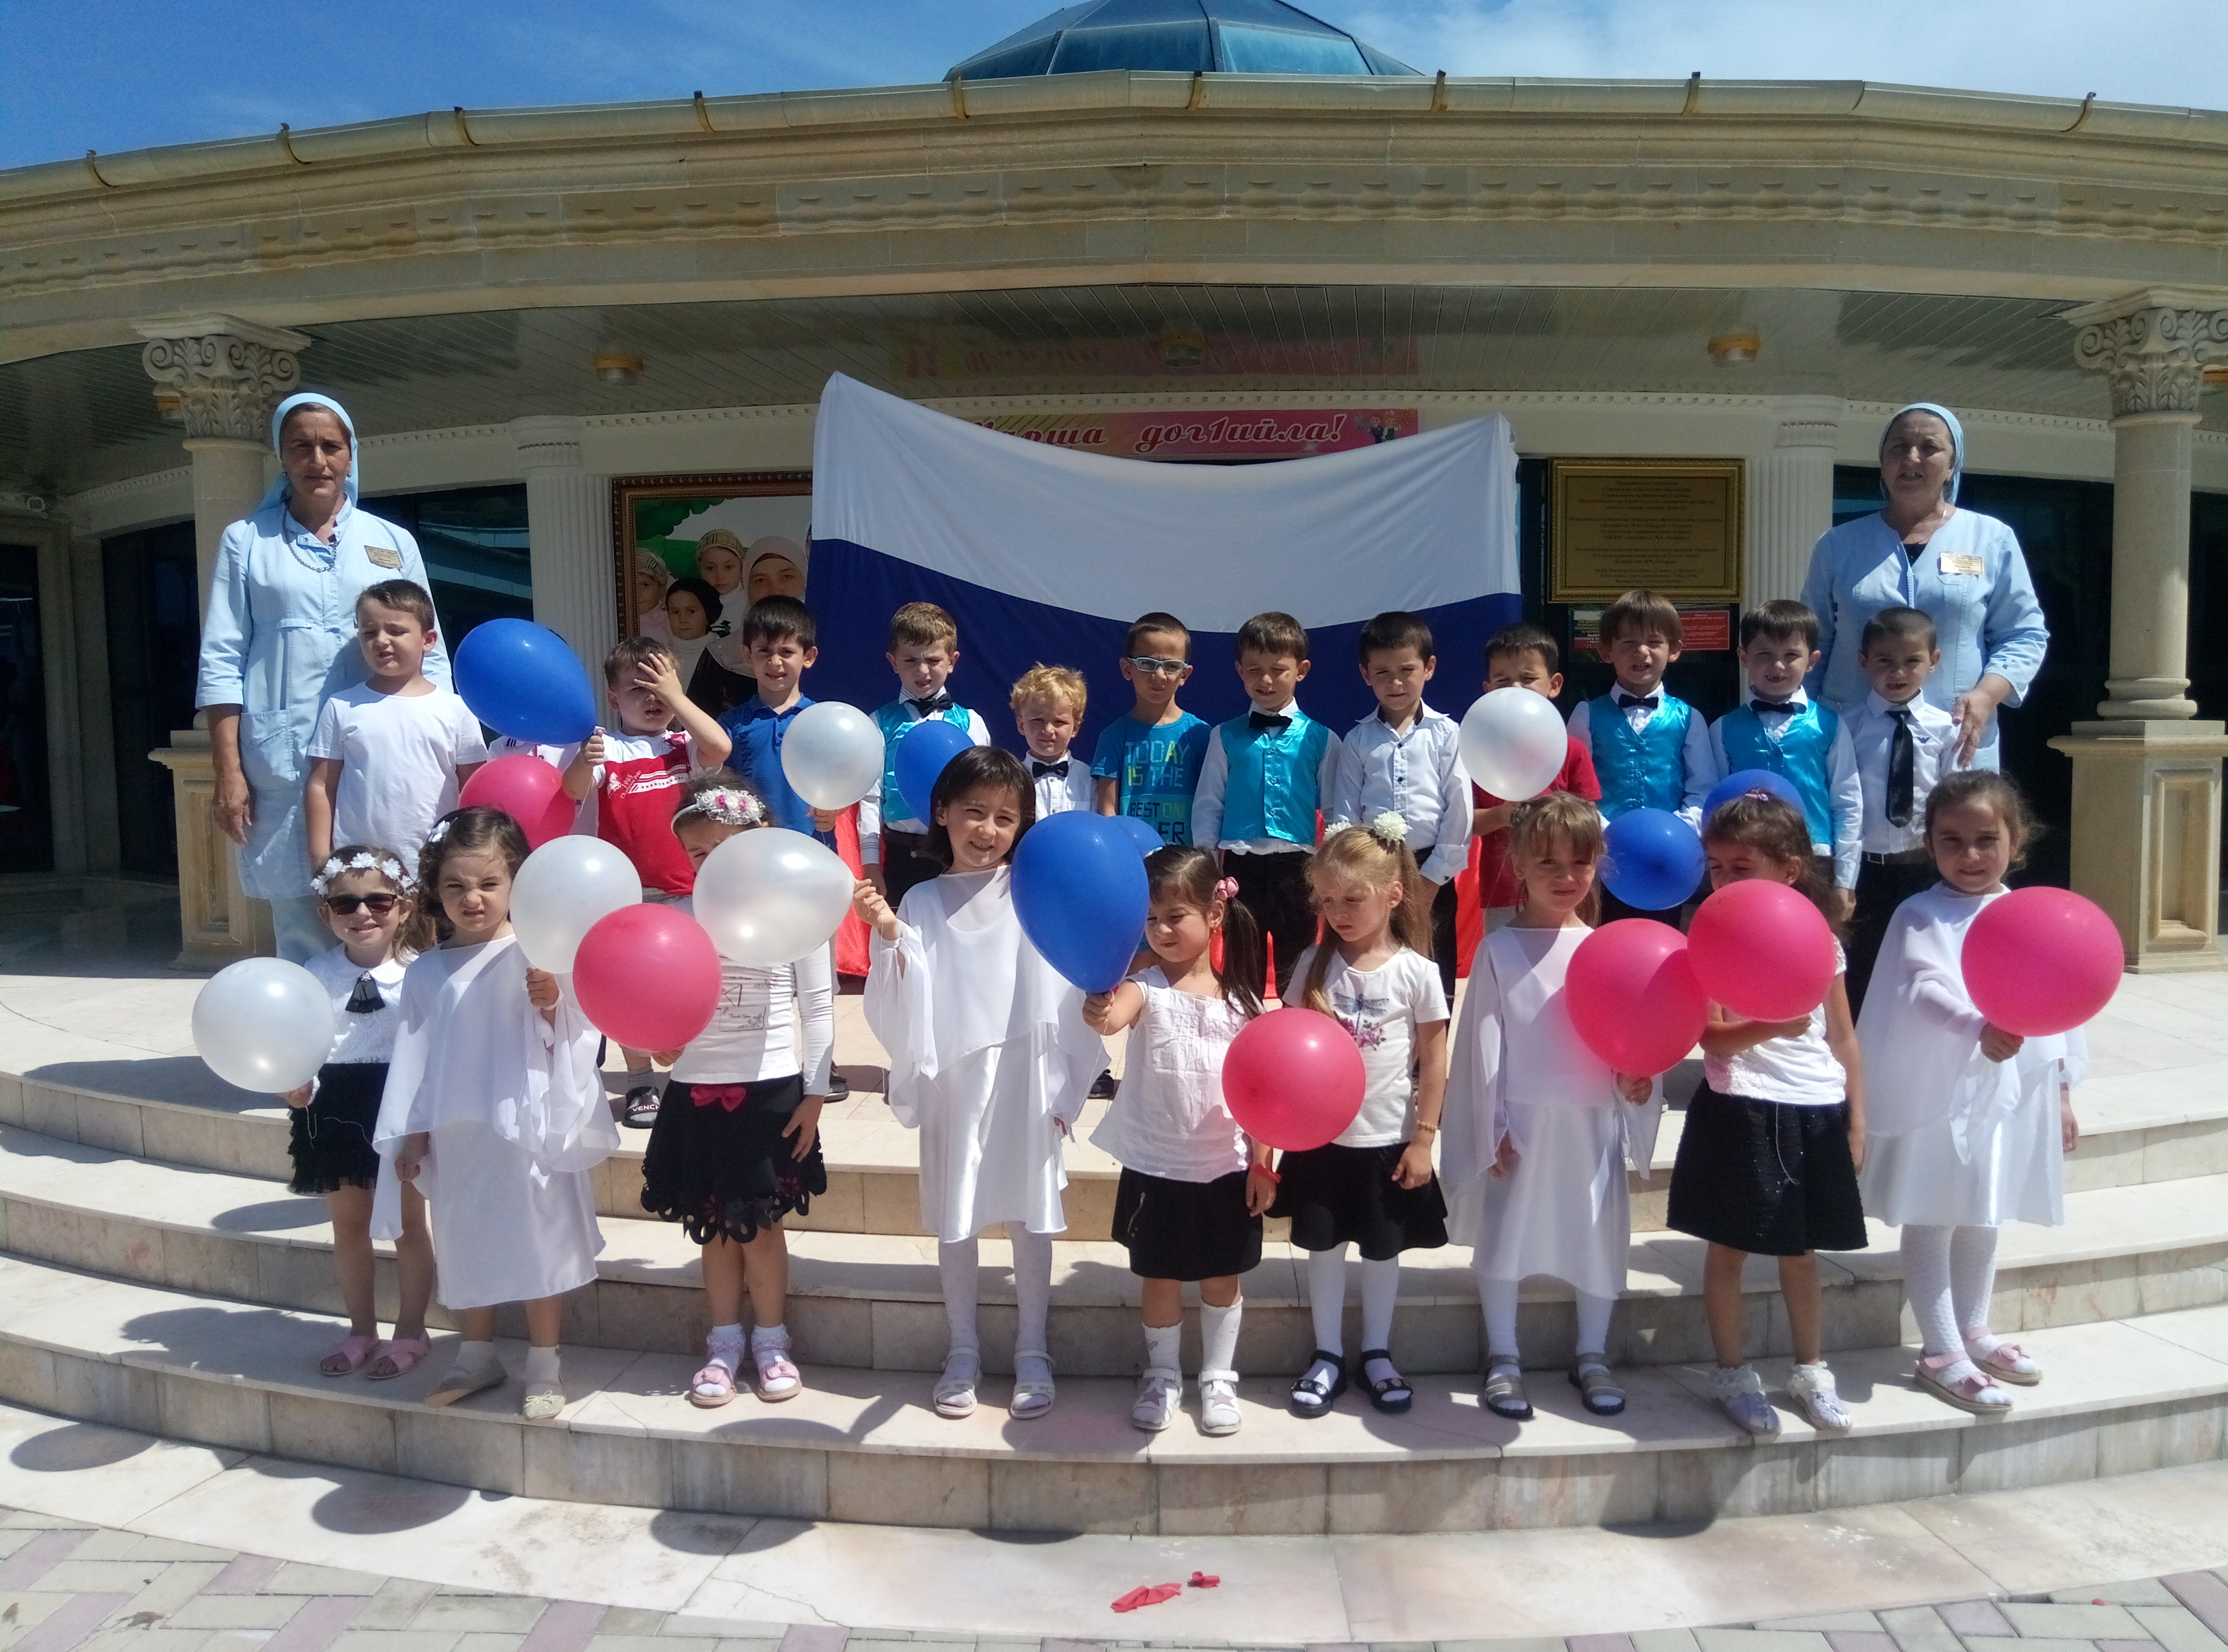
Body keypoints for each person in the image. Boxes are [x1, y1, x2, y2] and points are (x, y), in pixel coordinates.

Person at [854, 746, 1102, 1422]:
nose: (987, 830)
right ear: (941, 813)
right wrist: (890, 938)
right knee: (956, 1215)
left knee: (1029, 1214)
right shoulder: (922, 899)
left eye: (1004, 817)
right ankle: (961, 1349)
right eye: (973, 812)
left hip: (1024, 1068)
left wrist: (1071, 1057)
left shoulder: (1032, 891)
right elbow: (903, 994)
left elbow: (1066, 973)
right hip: (956, 1078)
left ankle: (1032, 1349)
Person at [373, 807, 614, 1422]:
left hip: (526, 1123)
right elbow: (418, 1060)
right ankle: (475, 1353)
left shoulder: (537, 953)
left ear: (515, 882)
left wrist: (553, 1001)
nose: (472, 898)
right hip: (459, 1130)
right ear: (435, 889)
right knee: (466, 1239)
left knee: (537, 1239)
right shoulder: (426, 972)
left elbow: (577, 1037)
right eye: (455, 885)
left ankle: (544, 1362)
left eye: (488, 883)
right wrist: (413, 1133)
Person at [1857, 770, 2085, 1417]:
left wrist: (2060, 1089)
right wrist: (1974, 1027)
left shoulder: (2030, 915)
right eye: (1951, 840)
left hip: (2009, 1086)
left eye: (1986, 839)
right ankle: (1939, 1348)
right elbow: (1921, 986)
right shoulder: (1921, 914)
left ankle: (1974, 1328)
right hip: (1942, 1088)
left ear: (2016, 841)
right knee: (1935, 1211)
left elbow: (2059, 1001)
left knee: (1984, 1209)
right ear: (1928, 844)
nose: (1970, 855)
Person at [196, 392, 451, 962]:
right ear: (281, 456)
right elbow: (221, 658)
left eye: (331, 446)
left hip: (381, 751)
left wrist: (443, 737)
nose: (318, 460)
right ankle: (314, 1020)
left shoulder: (392, 542)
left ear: (351, 455)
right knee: (305, 915)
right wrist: (228, 771)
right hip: (285, 758)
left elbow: (429, 649)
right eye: (301, 446)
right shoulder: (246, 541)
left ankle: (400, 1019)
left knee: (395, 905)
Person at [1441, 792, 1660, 1423]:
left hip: (1590, 1119)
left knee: (1595, 1235)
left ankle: (1591, 1354)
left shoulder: (1606, 949)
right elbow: (1483, 1047)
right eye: (1548, 864)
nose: (1565, 877)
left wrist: (1634, 1083)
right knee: (1506, 1235)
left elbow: (1627, 1039)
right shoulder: (1499, 950)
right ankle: (1503, 1356)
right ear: (1517, 865)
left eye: (1579, 863)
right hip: (1523, 1121)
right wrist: (1492, 1125)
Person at [1669, 793, 1868, 1436]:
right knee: (1727, 1249)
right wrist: (1772, 1025)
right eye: (1716, 867)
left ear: (1788, 869)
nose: (1725, 879)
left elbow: (1842, 1036)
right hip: (1741, 1108)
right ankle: (1732, 1374)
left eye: (1741, 866)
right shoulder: (1709, 939)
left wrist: (1856, 1119)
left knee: (1800, 1251)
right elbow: (1711, 1037)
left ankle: (1810, 1370)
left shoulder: (1819, 942)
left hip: (1812, 1107)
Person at [643, 773, 833, 1407]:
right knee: (714, 1227)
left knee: (763, 1227)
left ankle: (772, 1341)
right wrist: (660, 1045)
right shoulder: (678, 916)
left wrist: (813, 1095)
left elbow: (818, 1005)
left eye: (724, 847)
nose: (710, 862)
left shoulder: (796, 912)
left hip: (770, 1093)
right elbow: (658, 1002)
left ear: (761, 838)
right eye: (697, 852)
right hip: (695, 1090)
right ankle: (723, 1342)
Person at [1083, 846, 1275, 1435]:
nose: (1162, 930)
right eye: (1151, 919)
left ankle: (1218, 1377)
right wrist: (1097, 1004)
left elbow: (1261, 1094)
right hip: (1156, 1166)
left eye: (1175, 917)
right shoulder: (1144, 988)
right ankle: (1162, 1375)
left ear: (1214, 915)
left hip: (1225, 1167)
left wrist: (1263, 1163)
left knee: (1222, 1279)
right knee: (1160, 1276)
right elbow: (1111, 1018)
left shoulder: (1244, 1005)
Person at [1270, 820, 1450, 1418]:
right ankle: (1327, 1354)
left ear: (1393, 895)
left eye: (1353, 898)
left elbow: (1434, 1060)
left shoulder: (1417, 972)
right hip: (1321, 1141)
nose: (1338, 912)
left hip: (1387, 1138)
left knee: (1380, 1250)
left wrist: (1423, 1139)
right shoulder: (1311, 965)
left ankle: (1376, 1352)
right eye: (1327, 900)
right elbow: (1286, 1046)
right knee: (1323, 1248)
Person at [1800, 403, 2049, 773]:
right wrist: (1802, 726)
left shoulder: (1991, 539)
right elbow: (1811, 643)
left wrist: (1986, 696)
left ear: (1952, 465)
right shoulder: (1838, 545)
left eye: (1929, 447)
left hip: (1955, 738)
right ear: (1882, 462)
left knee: (1958, 813)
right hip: (1850, 742)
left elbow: (2024, 635)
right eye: (1899, 447)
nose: (1912, 457)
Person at [562, 636, 734, 1127]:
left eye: (661, 685)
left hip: (689, 891)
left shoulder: (683, 746)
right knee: (630, 988)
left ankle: (696, 1074)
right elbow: (572, 789)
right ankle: (640, 1079)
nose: (653, 697)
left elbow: (720, 746)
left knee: (694, 984)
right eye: (639, 688)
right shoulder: (607, 748)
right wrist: (585, 759)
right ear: (613, 697)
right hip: (627, 896)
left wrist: (677, 696)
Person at [282, 845, 436, 1382]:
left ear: (405, 906)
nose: (363, 913)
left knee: (408, 1225)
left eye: (378, 900)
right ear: (325, 913)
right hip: (334, 1107)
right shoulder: (313, 974)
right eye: (346, 904)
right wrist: (294, 1086)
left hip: (400, 1107)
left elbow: (431, 1053)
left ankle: (412, 1330)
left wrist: (420, 1128)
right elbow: (297, 1044)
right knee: (350, 1225)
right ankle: (361, 1329)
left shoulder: (421, 974)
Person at [1191, 612, 1340, 998]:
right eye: (1255, 670)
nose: (1267, 680)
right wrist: (1208, 865)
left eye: (1278, 670)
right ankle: (1245, 1028)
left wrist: (1331, 870)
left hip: (1298, 867)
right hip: (1243, 868)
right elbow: (1209, 804)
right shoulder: (1223, 735)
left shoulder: (1323, 738)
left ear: (1301, 671)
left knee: (1299, 967)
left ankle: (1296, 1032)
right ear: (1240, 671)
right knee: (1243, 965)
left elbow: (1335, 811)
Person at [303, 580, 487, 881]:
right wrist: (321, 861)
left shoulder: (456, 709)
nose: (381, 640)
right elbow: (322, 786)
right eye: (369, 633)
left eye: (396, 631)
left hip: (439, 868)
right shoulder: (342, 706)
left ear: (428, 640)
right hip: (360, 872)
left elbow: (474, 789)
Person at [1328, 612, 1471, 998]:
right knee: (1380, 962)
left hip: (1431, 868)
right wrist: (1356, 874)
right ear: (1365, 674)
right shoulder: (1358, 740)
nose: (1395, 682)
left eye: (1407, 670)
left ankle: (1434, 1038)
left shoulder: (1447, 733)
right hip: (1375, 870)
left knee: (1434, 965)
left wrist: (1434, 878)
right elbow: (1346, 812)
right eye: (1382, 672)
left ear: (1429, 668)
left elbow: (1459, 807)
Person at [1566, 589, 1712, 923]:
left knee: (1663, 933)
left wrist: (1677, 831)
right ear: (1607, 651)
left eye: (1654, 642)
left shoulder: (1689, 718)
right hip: (1605, 857)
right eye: (1629, 642)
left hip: (1668, 860)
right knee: (1604, 932)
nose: (1642, 652)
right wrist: (1607, 833)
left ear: (1674, 650)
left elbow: (1703, 787)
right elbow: (1575, 788)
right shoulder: (1586, 714)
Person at [1705, 600, 1861, 915]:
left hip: (1816, 858)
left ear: (1812, 661)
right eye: (1764, 654)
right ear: (1744, 657)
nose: (1777, 666)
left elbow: (1847, 803)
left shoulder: (1830, 725)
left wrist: (1846, 881)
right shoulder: (1723, 728)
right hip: (1747, 861)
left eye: (1791, 655)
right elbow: (1716, 802)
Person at [1840, 606, 1956, 1014]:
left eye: (1912, 661)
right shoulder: (1847, 727)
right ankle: (1859, 1046)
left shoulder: (1947, 729)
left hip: (1923, 867)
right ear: (1863, 661)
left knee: (1921, 963)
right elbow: (1843, 800)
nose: (1898, 673)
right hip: (1866, 870)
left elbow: (1953, 803)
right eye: (1885, 661)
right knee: (1861, 966)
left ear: (1933, 661)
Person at [1469, 624, 1600, 936]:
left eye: (1528, 679)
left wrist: (1554, 818)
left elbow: (1590, 818)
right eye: (1503, 680)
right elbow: (1466, 822)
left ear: (1554, 685)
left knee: (1570, 957)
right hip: (1503, 890)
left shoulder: (1572, 750)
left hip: (1568, 888)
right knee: (1508, 957)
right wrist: (1502, 814)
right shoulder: (1476, 751)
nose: (1515, 688)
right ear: (1488, 689)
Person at [860, 602, 991, 910]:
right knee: (899, 933)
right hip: (900, 855)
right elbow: (870, 797)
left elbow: (984, 797)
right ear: (893, 662)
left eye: (933, 660)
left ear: (952, 661)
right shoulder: (878, 723)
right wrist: (870, 863)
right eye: (910, 660)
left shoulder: (971, 722)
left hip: (957, 855)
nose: (922, 671)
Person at [1092, 612, 1211, 847]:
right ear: (1127, 669)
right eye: (1147, 664)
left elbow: (1212, 807)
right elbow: (1107, 811)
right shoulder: (1113, 737)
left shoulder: (1202, 735)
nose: (1159, 675)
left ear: (1185, 674)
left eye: (1171, 666)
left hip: (1186, 862)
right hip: (1134, 857)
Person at [664, 577, 752, 720]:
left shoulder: (724, 658)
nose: (683, 619)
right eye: (675, 612)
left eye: (691, 611)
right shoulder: (659, 658)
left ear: (707, 614)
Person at [1013, 665, 1093, 819]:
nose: (1049, 730)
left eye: (1059, 722)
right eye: (1038, 720)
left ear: (1075, 728)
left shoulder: (1090, 780)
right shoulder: (1011, 780)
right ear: (1022, 725)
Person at [694, 529, 751, 674]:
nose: (720, 576)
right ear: (700, 570)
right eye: (710, 568)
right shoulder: (691, 606)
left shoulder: (751, 606)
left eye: (728, 567)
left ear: (742, 568)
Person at [632, 549, 676, 643]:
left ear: (661, 588)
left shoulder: (670, 622)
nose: (638, 593)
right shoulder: (616, 621)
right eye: (632, 586)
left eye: (645, 585)